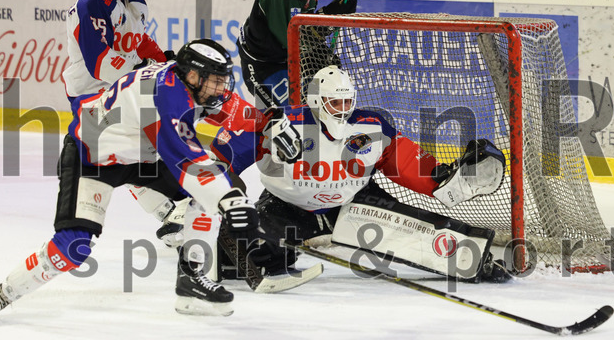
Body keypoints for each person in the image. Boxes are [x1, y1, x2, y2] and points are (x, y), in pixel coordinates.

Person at [0, 39, 261, 324]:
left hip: (140, 156)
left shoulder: (189, 83)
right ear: (194, 76)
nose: (221, 88)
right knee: (73, 247)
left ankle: (192, 281)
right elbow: (188, 159)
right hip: (92, 157)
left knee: (210, 191)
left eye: (223, 80)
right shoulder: (167, 93)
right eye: (216, 81)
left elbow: (241, 116)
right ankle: (2, 294)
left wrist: (272, 124)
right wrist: (230, 199)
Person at [209, 66, 511, 286]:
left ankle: (477, 260)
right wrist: (223, 194)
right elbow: (225, 159)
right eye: (334, 103)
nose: (342, 110)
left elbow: (404, 162)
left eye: (346, 102)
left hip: (352, 202)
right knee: (252, 253)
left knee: (416, 226)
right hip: (286, 206)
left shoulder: (371, 126)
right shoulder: (283, 123)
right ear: (316, 101)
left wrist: (442, 180)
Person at [61, 0, 170, 103]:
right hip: (91, 93)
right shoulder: (91, 5)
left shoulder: (136, 2)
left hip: (122, 88)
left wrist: (163, 63)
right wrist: (136, 72)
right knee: (113, 127)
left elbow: (138, 41)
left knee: (154, 121)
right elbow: (98, 59)